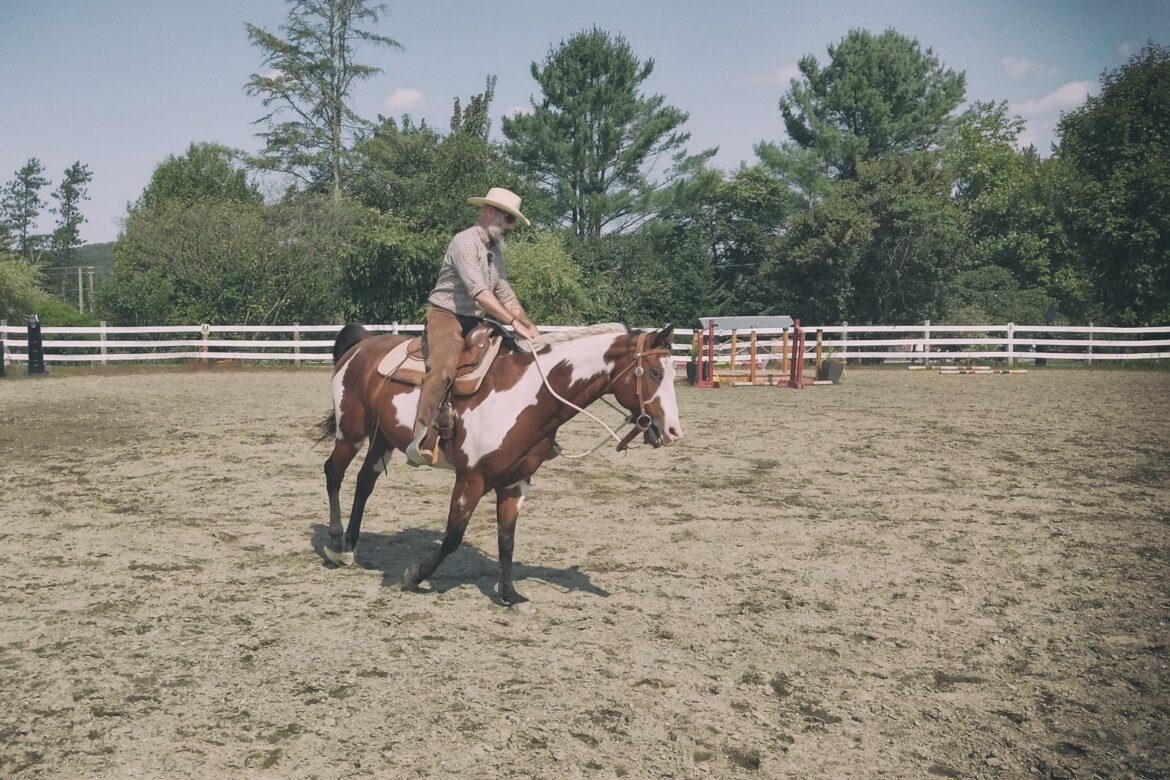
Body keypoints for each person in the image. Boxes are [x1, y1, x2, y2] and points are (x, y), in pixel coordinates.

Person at [406, 187, 540, 466]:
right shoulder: (464, 242)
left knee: (513, 361)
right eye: (509, 219)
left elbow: (504, 291)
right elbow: (479, 292)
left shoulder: (494, 251)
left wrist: (528, 325)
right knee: (443, 368)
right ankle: (421, 436)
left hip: (476, 320)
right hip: (446, 316)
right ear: (489, 212)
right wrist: (513, 322)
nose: (511, 228)